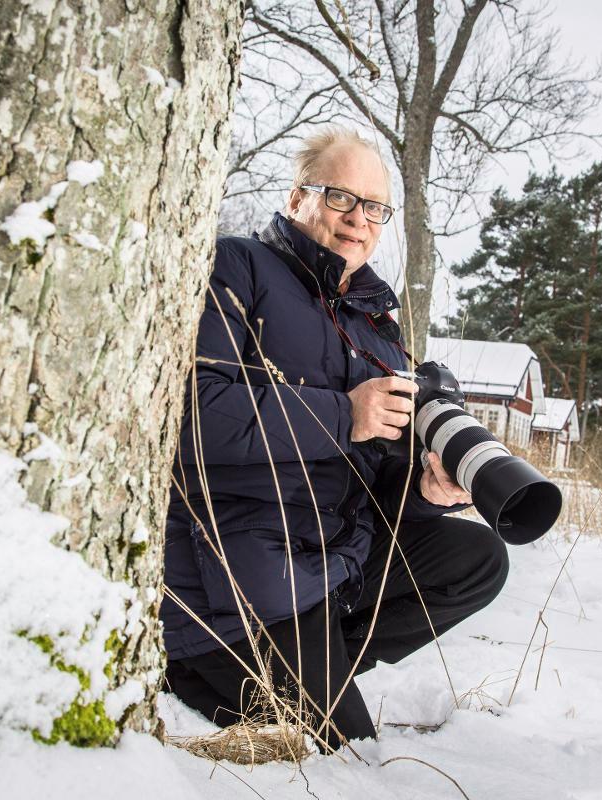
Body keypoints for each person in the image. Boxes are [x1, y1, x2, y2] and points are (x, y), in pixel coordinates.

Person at [162, 127, 509, 749]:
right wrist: (343, 415)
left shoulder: (377, 326)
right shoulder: (238, 264)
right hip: (242, 574)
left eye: (375, 208)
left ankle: (316, 668)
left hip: (329, 563)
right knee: (342, 757)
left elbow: (370, 482)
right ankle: (212, 668)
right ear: (298, 199)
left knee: (477, 559)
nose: (360, 220)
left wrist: (428, 491)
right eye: (341, 198)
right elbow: (193, 410)